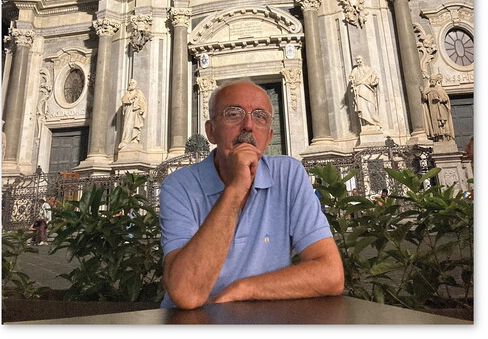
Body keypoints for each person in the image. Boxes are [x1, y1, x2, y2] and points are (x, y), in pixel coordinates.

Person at [160, 80, 344, 309]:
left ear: (269, 137)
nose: (248, 125)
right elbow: (186, 293)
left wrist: (243, 289)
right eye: (233, 114)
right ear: (211, 131)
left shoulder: (289, 174)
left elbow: (330, 274)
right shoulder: (179, 185)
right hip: (193, 322)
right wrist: (236, 188)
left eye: (260, 116)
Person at [348, 56, 381, 127]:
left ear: (362, 60)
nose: (358, 61)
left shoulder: (369, 69)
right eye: (357, 60)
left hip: (368, 90)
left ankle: (375, 122)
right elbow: (351, 77)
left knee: (371, 106)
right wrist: (352, 80)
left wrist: (373, 82)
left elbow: (375, 78)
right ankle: (366, 124)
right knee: (363, 108)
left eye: (359, 59)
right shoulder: (355, 70)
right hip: (360, 91)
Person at [119, 79, 147, 149]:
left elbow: (143, 102)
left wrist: (140, 108)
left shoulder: (138, 92)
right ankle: (126, 140)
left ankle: (134, 139)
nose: (131, 84)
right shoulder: (127, 93)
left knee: (135, 125)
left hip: (136, 112)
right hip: (129, 111)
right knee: (127, 126)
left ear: (135, 85)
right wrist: (132, 98)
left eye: (133, 83)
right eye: (131, 83)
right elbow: (124, 100)